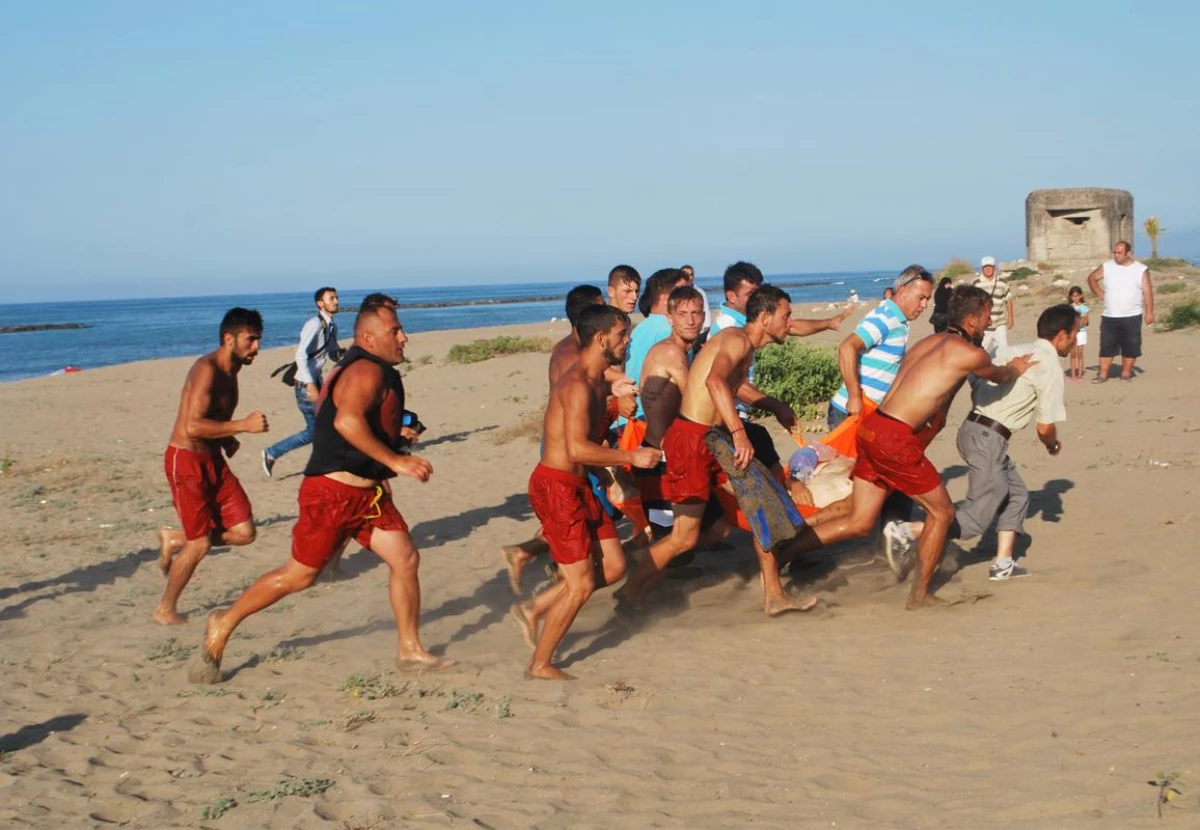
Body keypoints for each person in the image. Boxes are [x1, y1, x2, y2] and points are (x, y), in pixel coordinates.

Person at [189, 300, 450, 683]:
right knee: (298, 577)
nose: (403, 337)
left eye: (401, 329)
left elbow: (357, 421)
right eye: (395, 331)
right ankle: (223, 621)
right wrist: (397, 462)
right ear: (367, 338)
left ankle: (409, 649)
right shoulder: (365, 371)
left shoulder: (373, 368)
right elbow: (346, 421)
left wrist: (395, 439)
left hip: (370, 496)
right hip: (332, 494)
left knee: (405, 559)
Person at [779, 286, 1035, 609]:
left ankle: (783, 553)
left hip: (872, 428)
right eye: (985, 317)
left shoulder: (927, 342)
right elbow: (999, 375)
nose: (988, 323)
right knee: (941, 513)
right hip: (895, 439)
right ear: (971, 320)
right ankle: (921, 595)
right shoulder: (971, 354)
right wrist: (1018, 367)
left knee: (860, 520)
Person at [621, 285, 818, 616]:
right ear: (766, 317)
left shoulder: (744, 344)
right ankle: (628, 593)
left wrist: (774, 404)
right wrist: (740, 433)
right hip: (693, 439)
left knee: (761, 503)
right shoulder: (736, 339)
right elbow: (714, 383)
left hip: (711, 440)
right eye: (786, 316)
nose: (790, 323)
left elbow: (731, 385)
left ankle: (774, 595)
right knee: (684, 538)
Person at [511, 305, 661, 680]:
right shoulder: (578, 385)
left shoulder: (596, 383)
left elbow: (586, 443)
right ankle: (540, 664)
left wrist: (610, 478)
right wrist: (631, 457)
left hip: (579, 485)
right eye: (622, 335)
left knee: (613, 566)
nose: (627, 342)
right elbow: (576, 448)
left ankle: (535, 608)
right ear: (601, 339)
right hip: (556, 487)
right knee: (580, 585)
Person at [885, 304, 1078, 581]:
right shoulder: (1049, 367)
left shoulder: (1010, 351)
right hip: (990, 438)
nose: (1076, 339)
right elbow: (1045, 428)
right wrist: (1052, 445)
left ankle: (1003, 563)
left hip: (972, 430)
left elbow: (976, 377)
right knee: (975, 520)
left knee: (1017, 495)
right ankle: (905, 532)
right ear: (1061, 335)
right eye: (1075, 332)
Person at [155, 308, 268, 625]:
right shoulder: (206, 370)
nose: (256, 347)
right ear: (229, 338)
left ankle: (175, 538)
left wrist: (227, 437)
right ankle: (165, 609)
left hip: (211, 460)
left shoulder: (232, 370)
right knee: (200, 544)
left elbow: (212, 418)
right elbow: (191, 426)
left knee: (245, 532)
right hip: (186, 460)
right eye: (251, 339)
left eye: (258, 339)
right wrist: (242, 426)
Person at [503, 284, 605, 593]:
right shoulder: (571, 355)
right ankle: (553, 574)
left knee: (576, 516)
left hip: (572, 444)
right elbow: (574, 399)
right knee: (570, 516)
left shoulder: (572, 350)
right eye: (601, 307)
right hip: (566, 446)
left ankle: (530, 554)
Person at [710, 261, 852, 477]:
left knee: (768, 464)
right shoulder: (729, 330)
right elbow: (722, 383)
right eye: (751, 294)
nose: (757, 299)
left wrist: (829, 323)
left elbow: (790, 326)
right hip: (725, 418)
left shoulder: (748, 325)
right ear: (732, 296)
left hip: (738, 416)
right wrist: (746, 427)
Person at [262, 287, 344, 477]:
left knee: (322, 427)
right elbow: (300, 355)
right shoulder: (314, 324)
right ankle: (273, 452)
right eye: (331, 298)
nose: (336, 301)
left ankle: (324, 462)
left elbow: (331, 352)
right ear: (320, 303)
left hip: (317, 381)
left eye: (337, 297)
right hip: (306, 385)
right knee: (317, 430)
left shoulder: (331, 326)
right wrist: (310, 385)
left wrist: (343, 354)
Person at [1087, 240, 1155, 383]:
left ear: (1128, 253)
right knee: (1106, 346)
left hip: (1132, 315)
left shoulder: (1141, 269)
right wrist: (1100, 293)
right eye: (1115, 252)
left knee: (1131, 346)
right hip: (1110, 315)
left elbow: (1147, 292)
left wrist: (1149, 312)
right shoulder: (1107, 267)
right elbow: (1092, 278)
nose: (1116, 255)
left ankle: (1125, 374)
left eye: (1119, 253)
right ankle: (1103, 375)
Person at [627, 269, 690, 412]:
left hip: (634, 413)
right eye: (684, 293)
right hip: (649, 418)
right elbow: (686, 389)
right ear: (666, 299)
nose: (691, 297)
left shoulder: (642, 327)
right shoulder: (668, 330)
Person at [973, 256, 1013, 357]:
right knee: (980, 351)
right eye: (985, 267)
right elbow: (971, 303)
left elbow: (1008, 300)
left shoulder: (1003, 282)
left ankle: (1001, 371)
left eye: (990, 266)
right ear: (982, 268)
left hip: (1000, 323)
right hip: (983, 325)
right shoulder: (976, 283)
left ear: (994, 267)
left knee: (1004, 351)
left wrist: (1011, 318)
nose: (988, 269)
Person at [680, 264, 712, 332]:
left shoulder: (700, 292)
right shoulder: (676, 292)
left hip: (698, 329)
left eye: (691, 274)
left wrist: (707, 327)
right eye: (685, 274)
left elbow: (705, 309)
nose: (688, 277)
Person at [1068, 286, 1089, 382]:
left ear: (1081, 296)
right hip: (1071, 332)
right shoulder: (1069, 308)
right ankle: (1073, 375)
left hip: (1081, 333)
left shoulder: (1084, 308)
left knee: (1080, 354)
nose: (1075, 298)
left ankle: (1079, 375)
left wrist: (1079, 323)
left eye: (1077, 296)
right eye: (1073, 296)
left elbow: (1085, 321)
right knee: (1072, 354)